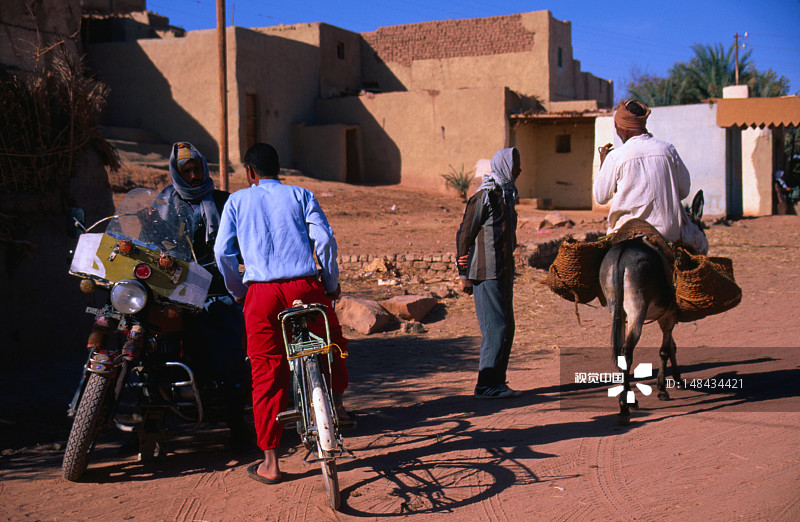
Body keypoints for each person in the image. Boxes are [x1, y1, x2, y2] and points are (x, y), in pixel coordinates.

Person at [214, 142, 352, 484]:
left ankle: (271, 463)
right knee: (331, 346)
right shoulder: (300, 195)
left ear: (250, 172)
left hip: (261, 295)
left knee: (266, 371)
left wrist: (239, 292)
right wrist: (330, 283)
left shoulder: (237, 200)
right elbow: (325, 241)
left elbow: (222, 253)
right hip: (304, 288)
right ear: (280, 169)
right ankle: (337, 405)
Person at [161, 141, 252, 451]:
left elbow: (239, 243)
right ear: (176, 172)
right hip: (177, 287)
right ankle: (149, 424)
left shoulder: (223, 201)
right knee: (157, 351)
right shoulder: (164, 204)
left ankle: (237, 423)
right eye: (186, 170)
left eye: (197, 168)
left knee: (229, 357)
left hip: (216, 286)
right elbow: (150, 239)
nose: (194, 174)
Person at [594, 100, 708, 254]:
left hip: (625, 233)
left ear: (626, 130)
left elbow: (601, 197)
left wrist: (604, 165)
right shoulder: (668, 150)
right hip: (666, 233)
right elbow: (684, 190)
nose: (618, 132)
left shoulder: (615, 156)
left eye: (617, 128)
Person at [456, 147, 522, 399]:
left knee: (507, 328)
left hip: (504, 271)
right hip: (486, 271)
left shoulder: (506, 195)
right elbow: (465, 233)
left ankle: (497, 382)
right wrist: (463, 274)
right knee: (495, 328)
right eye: (516, 164)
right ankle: (485, 385)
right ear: (504, 166)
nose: (519, 170)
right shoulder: (484, 196)